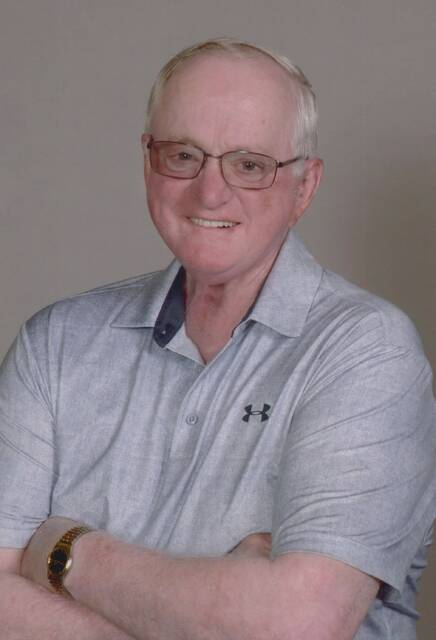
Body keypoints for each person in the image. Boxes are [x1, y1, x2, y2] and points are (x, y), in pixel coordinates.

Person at [0, 38, 435, 640]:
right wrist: (218, 614)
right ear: (148, 162)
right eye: (183, 155)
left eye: (249, 165)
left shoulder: (367, 353)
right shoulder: (55, 344)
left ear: (304, 187)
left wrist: (65, 550)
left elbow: (296, 625)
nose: (210, 191)